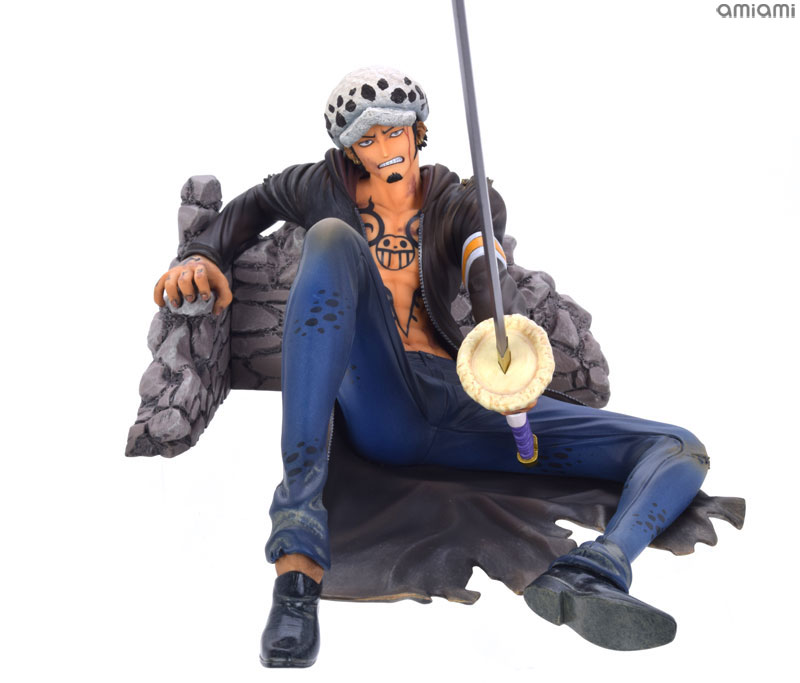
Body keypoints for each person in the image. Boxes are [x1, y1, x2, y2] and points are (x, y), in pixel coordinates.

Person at [153, 67, 710, 667]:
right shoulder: (321, 187)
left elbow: (484, 267)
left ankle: (597, 568)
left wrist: (505, 346)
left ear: (417, 131)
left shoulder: (461, 199)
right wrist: (203, 254)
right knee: (332, 237)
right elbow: (253, 205)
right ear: (351, 150)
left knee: (678, 448)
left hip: (467, 399)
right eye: (367, 140)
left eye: (394, 132)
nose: (385, 149)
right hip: (383, 397)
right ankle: (296, 570)